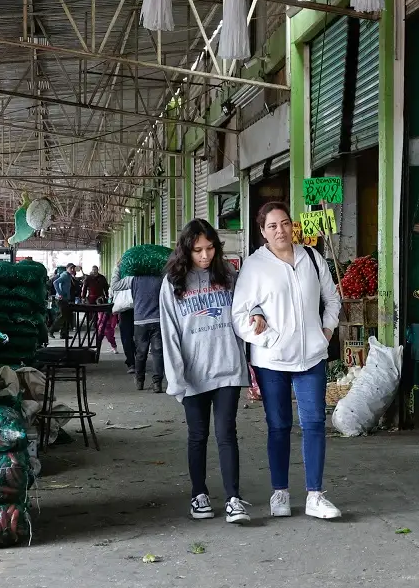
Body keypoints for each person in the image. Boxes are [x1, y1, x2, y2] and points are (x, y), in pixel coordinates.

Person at [232, 202, 342, 521]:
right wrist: (268, 339)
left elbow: (332, 299)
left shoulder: (312, 257)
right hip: (272, 361)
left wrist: (326, 331)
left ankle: (315, 495)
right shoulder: (255, 266)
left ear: (293, 226)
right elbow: (240, 314)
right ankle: (279, 491)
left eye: (284, 223)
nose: (280, 230)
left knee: (314, 423)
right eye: (272, 226)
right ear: (262, 232)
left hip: (312, 357)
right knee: (279, 425)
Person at [160, 219, 252, 523]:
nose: (204, 255)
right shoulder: (173, 283)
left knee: (227, 433)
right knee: (197, 436)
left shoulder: (228, 276)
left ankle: (233, 499)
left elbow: (247, 309)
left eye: (210, 248)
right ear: (186, 250)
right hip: (193, 374)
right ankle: (198, 494)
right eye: (198, 250)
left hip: (227, 367)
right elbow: (169, 333)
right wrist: (176, 378)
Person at [132, 267, 165, 393]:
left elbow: (116, 285)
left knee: (141, 353)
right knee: (157, 353)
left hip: (140, 321)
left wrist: (118, 268)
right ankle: (157, 383)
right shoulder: (160, 279)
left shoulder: (135, 279)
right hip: (157, 320)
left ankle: (139, 380)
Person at [111, 263, 136, 375]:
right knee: (139, 337)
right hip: (139, 308)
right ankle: (137, 361)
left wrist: (117, 268)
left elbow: (113, 287)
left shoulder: (124, 279)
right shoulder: (138, 276)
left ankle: (131, 363)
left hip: (125, 310)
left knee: (126, 337)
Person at [54, 264, 76, 340]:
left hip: (66, 299)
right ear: (67, 268)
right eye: (71, 268)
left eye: (73, 268)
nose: (72, 270)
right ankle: (52, 330)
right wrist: (60, 293)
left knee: (66, 317)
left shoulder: (69, 276)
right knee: (63, 316)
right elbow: (55, 283)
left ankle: (64, 334)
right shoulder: (65, 275)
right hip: (61, 299)